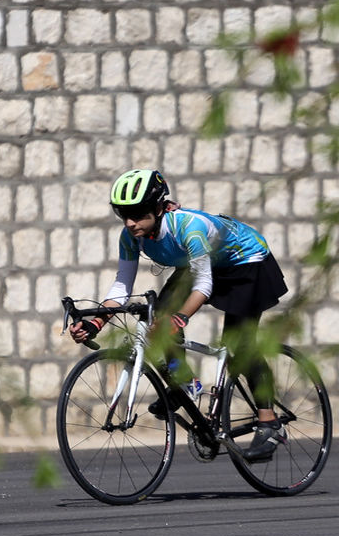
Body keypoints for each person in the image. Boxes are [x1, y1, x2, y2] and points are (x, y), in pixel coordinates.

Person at [68, 168, 289, 462]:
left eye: (137, 214)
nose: (130, 223)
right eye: (124, 215)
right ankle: (186, 382)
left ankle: (269, 422)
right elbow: (122, 286)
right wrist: (94, 321)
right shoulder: (131, 236)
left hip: (247, 262)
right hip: (204, 263)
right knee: (158, 314)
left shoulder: (189, 228)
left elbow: (204, 286)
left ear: (159, 208)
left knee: (240, 344)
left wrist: (179, 319)